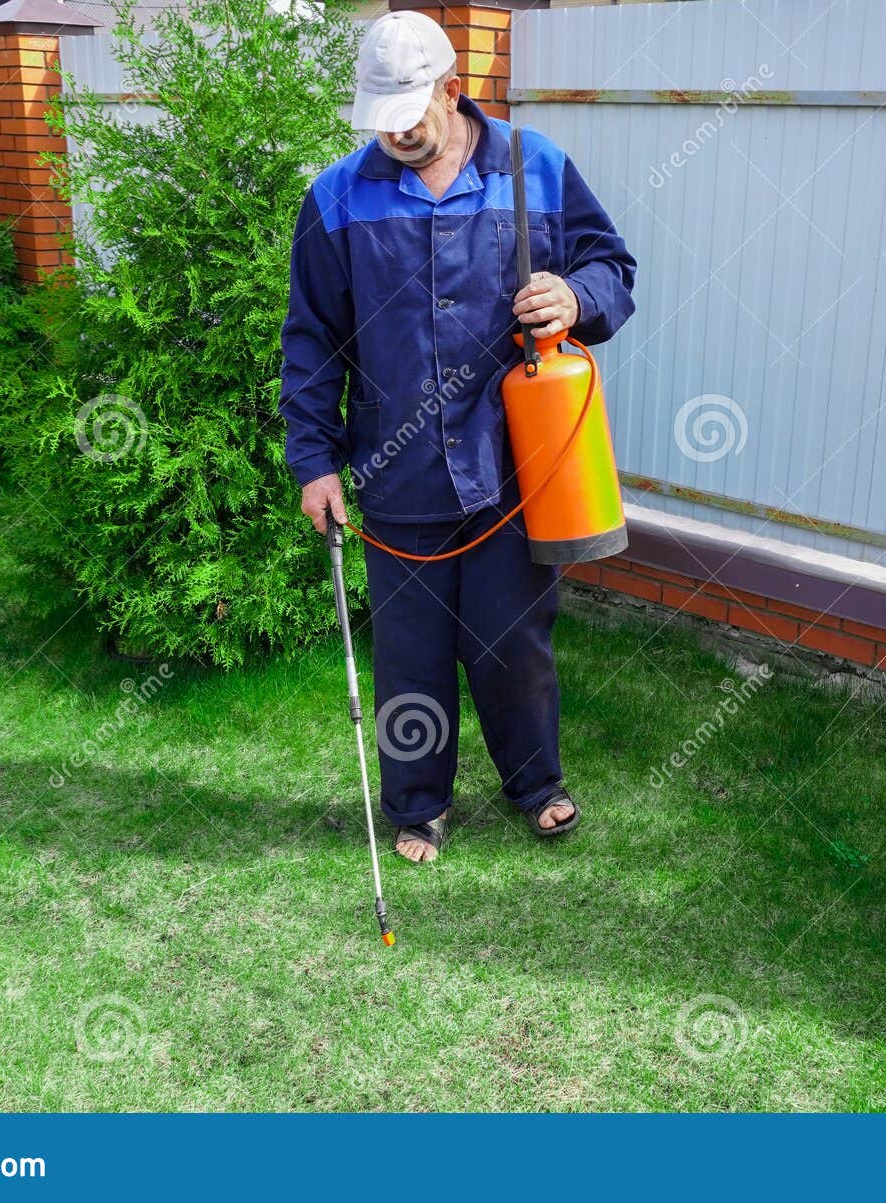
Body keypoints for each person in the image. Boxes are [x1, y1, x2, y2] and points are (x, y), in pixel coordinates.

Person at [278, 11, 636, 863]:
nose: (397, 131)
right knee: (412, 654)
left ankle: (535, 783)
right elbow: (311, 338)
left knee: (515, 638)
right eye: (382, 117)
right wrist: (314, 460)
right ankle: (417, 804)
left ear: (451, 87)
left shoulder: (535, 166)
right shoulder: (335, 196)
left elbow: (611, 270)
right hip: (396, 470)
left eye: (412, 110)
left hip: (516, 465)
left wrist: (574, 299)